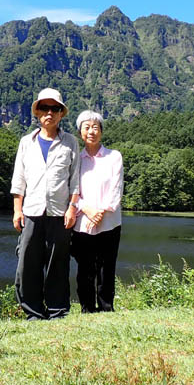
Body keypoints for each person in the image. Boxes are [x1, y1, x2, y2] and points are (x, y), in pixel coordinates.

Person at [11, 88, 80, 320]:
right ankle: (32, 312)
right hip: (31, 212)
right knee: (27, 263)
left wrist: (72, 208)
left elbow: (75, 179)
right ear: (37, 112)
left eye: (55, 109)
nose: (49, 113)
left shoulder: (70, 142)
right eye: (44, 108)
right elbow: (19, 179)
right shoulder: (26, 142)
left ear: (61, 114)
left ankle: (58, 310)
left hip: (60, 213)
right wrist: (17, 210)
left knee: (57, 264)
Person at [71, 110, 123, 313]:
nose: (91, 131)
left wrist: (100, 212)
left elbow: (116, 189)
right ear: (80, 132)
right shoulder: (75, 159)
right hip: (82, 221)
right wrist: (87, 209)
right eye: (87, 127)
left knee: (106, 267)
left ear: (101, 131)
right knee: (85, 268)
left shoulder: (114, 157)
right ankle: (86, 307)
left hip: (109, 221)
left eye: (95, 127)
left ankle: (106, 307)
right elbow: (70, 189)